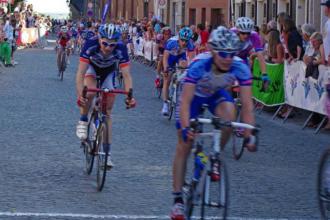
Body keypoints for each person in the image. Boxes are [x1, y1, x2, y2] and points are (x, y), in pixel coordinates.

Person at [170, 26, 257, 220]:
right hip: (193, 96)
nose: (227, 58)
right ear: (212, 51)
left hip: (215, 94)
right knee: (184, 144)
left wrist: (250, 134)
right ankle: (177, 200)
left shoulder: (240, 66)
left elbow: (248, 105)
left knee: (229, 115)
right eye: (223, 54)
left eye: (231, 54)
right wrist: (185, 129)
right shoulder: (199, 65)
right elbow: (184, 102)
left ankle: (216, 154)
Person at [75, 24, 136, 168]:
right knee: (89, 92)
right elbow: (80, 74)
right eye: (105, 43)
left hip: (108, 72)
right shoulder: (90, 45)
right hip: (92, 69)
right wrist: (80, 95)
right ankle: (83, 121)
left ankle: (107, 155)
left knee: (107, 112)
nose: (108, 48)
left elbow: (126, 75)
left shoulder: (121, 49)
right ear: (99, 39)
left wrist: (130, 96)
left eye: (112, 45)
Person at [161, 27, 195, 116]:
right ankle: (165, 104)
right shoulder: (171, 42)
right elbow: (165, 58)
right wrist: (165, 69)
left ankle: (179, 84)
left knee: (184, 65)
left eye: (186, 41)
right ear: (179, 37)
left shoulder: (190, 44)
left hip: (180, 56)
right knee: (167, 80)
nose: (184, 43)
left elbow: (192, 60)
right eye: (182, 40)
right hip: (170, 57)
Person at [232, 17, 270, 88]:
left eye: (247, 33)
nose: (246, 35)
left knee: (246, 83)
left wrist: (264, 74)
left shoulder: (254, 36)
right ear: (238, 31)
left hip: (243, 59)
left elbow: (260, 55)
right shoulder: (231, 34)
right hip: (230, 57)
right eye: (243, 33)